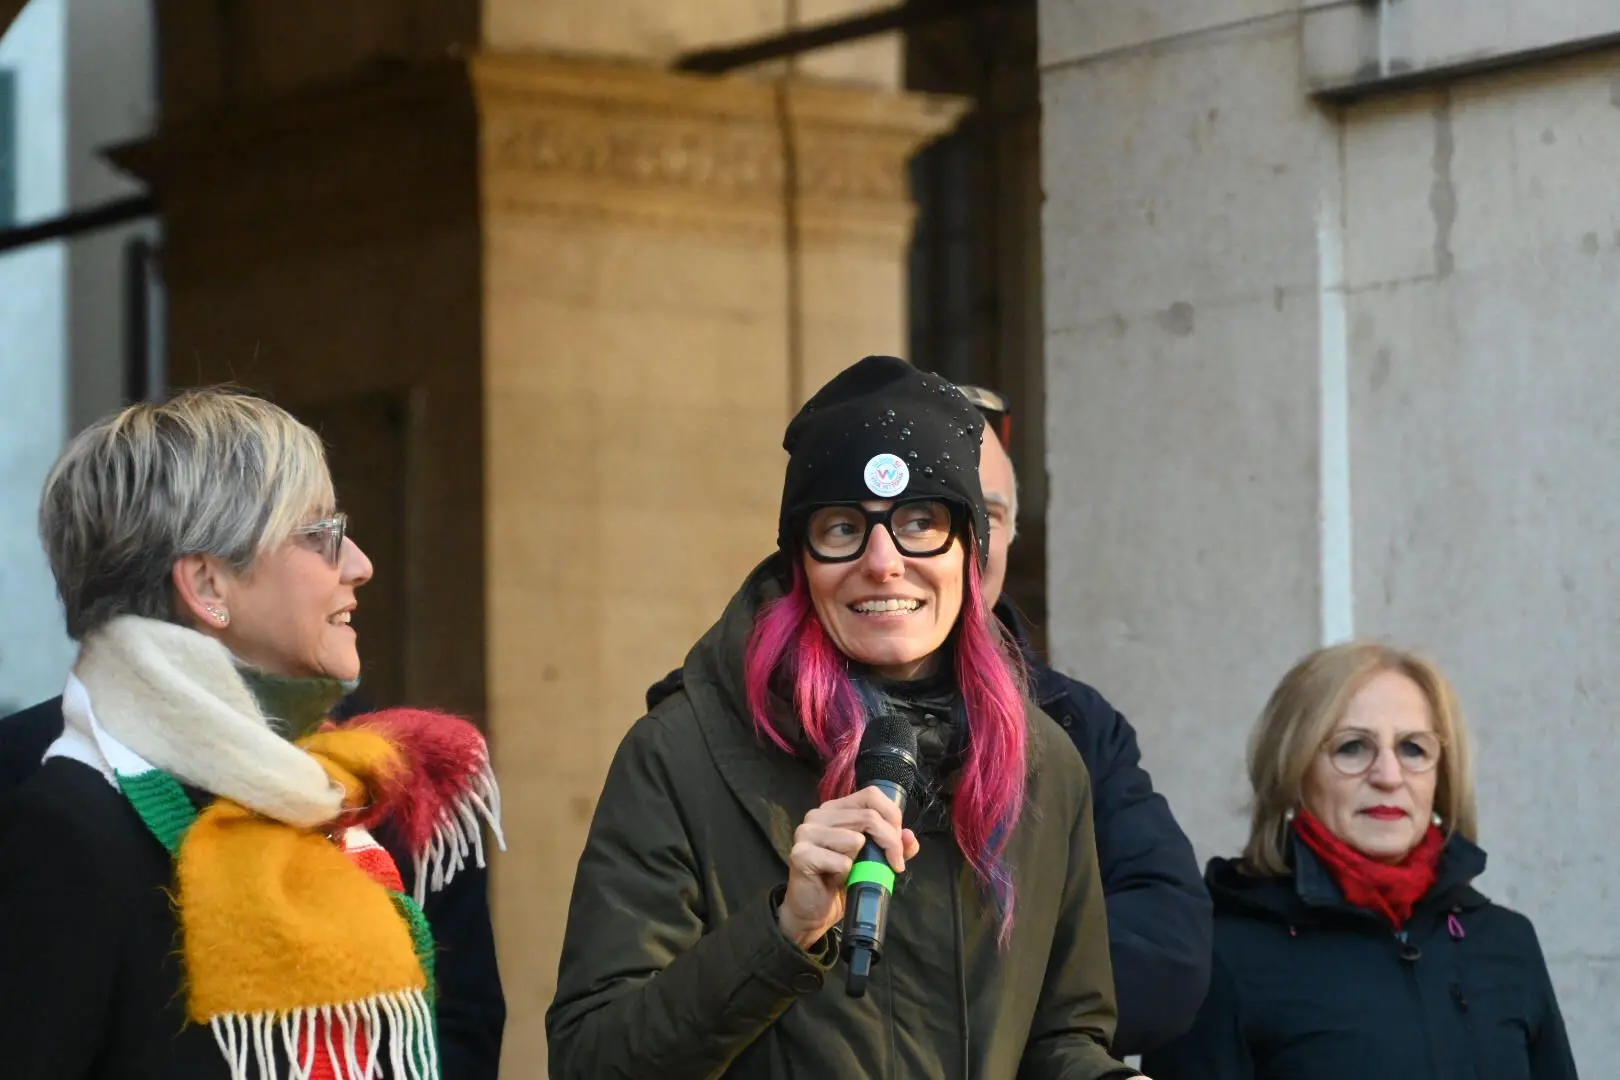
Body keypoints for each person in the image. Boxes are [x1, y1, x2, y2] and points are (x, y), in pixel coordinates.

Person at [548, 356, 1147, 1080]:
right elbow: (593, 1061)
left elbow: (1064, 1039)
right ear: (801, 560)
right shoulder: (679, 754)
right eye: (842, 529)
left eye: (920, 522)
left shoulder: (1044, 761)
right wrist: (784, 932)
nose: (884, 562)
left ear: (970, 550)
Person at [0, 388, 506, 1080]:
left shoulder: (362, 796)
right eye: (321, 535)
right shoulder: (64, 824)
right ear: (208, 584)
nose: (359, 564)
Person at [1142, 642, 1579, 1079]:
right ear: (1294, 770)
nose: (1389, 776)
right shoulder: (1222, 956)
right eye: (1352, 747)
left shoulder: (1507, 943)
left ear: (1440, 775)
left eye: (1413, 749)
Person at [957, 385, 1212, 1055]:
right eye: (929, 515)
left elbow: (1168, 956)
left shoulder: (1074, 722)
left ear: (1014, 530)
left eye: (987, 514)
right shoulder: (739, 715)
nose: (964, 545)